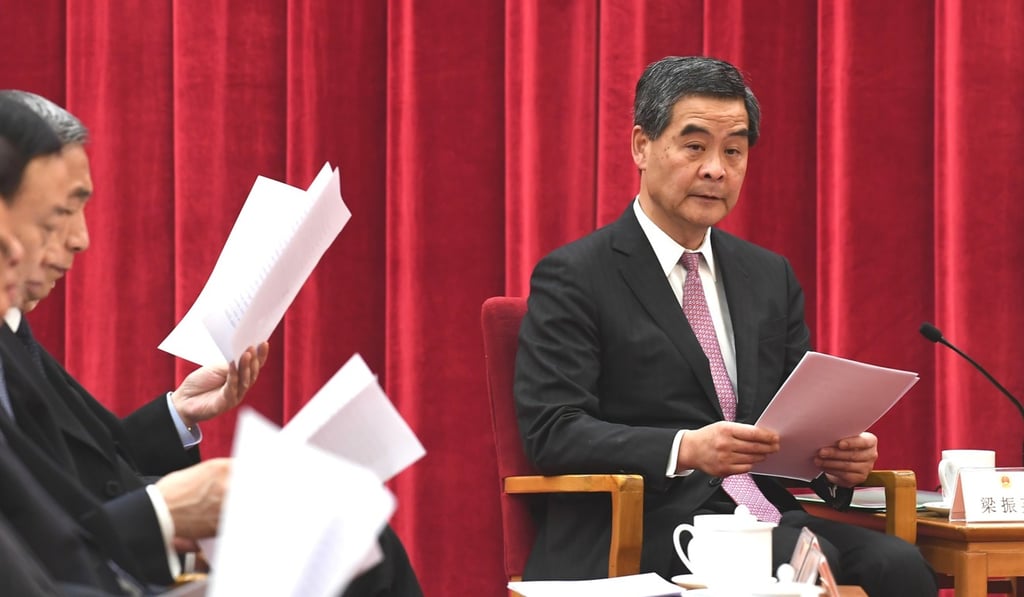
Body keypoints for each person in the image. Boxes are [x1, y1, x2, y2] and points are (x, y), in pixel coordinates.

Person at [514, 56, 937, 597]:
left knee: (899, 566)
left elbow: (793, 418)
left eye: (733, 151)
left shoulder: (766, 275)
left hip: (762, 514)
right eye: (695, 147)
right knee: (805, 561)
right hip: (642, 526)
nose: (716, 168)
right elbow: (554, 430)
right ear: (641, 146)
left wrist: (835, 459)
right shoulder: (576, 274)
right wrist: (685, 448)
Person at [7, 90, 423, 597]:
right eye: (55, 216)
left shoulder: (13, 331)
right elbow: (45, 525)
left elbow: (82, 463)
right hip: (96, 573)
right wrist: (164, 513)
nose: (80, 239)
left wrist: (178, 413)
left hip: (109, 561)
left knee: (358, 536)